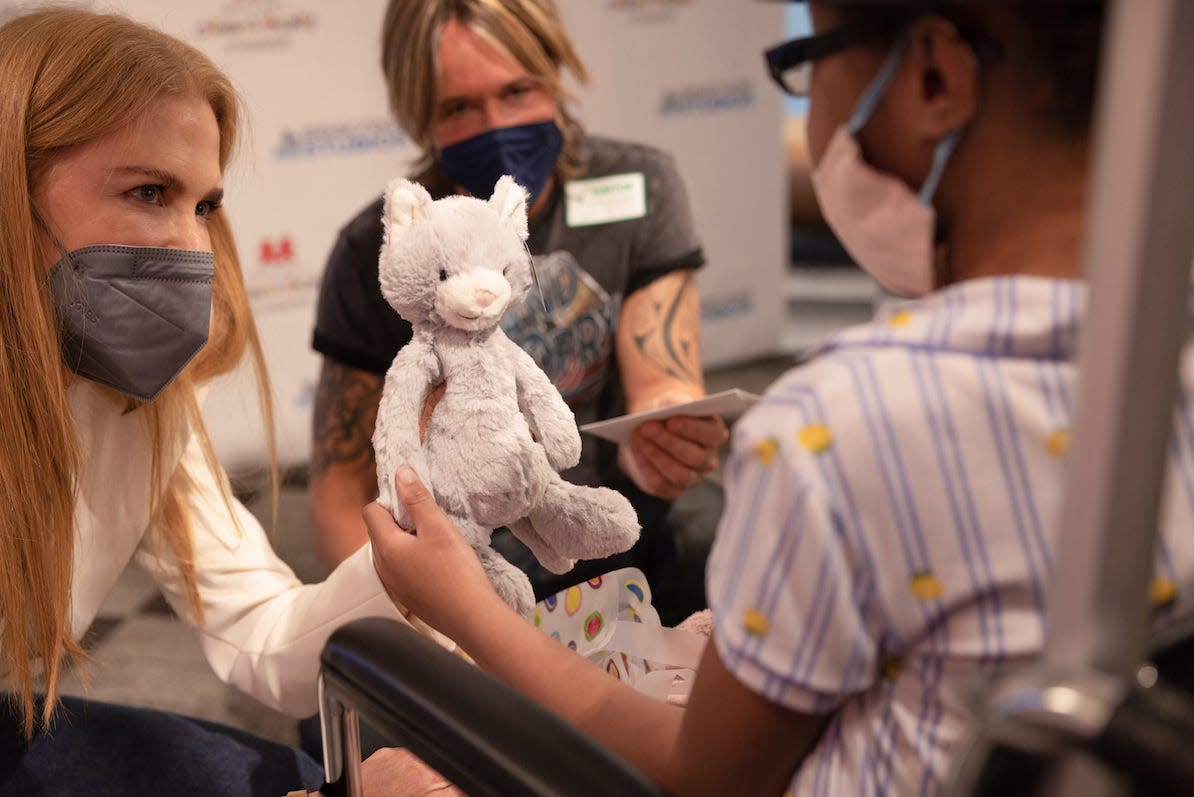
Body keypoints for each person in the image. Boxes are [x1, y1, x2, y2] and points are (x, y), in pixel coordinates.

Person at [364, 1, 1194, 794]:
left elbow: (707, 776)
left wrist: (469, 612)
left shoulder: (836, 427)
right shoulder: (1167, 368)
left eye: (808, 63)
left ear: (935, 78)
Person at [0, 9, 459, 796]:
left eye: (205, 205)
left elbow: (262, 633)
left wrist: (411, 544)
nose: (195, 247)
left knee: (286, 771)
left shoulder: (144, 402)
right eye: (149, 191)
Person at [308, 0, 729, 627]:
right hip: (467, 534)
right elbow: (340, 489)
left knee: (709, 528)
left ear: (556, 73)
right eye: (458, 107)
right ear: (420, 114)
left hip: (602, 500)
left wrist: (661, 441)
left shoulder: (641, 184)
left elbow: (662, 376)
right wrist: (402, 613)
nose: (496, 126)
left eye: (517, 91)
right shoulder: (379, 249)